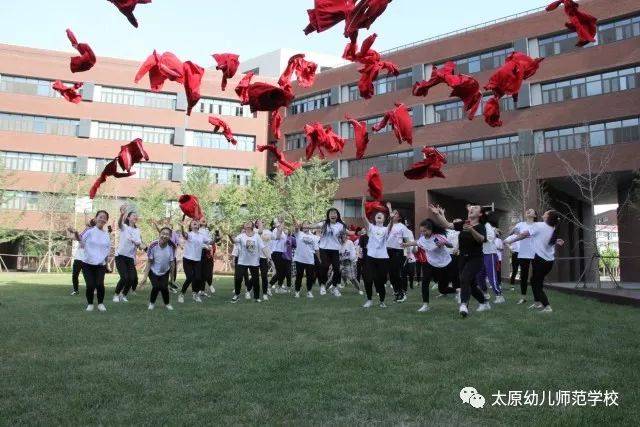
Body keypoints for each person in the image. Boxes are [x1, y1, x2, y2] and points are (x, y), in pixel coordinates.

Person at [430, 204, 491, 317]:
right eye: (471, 208)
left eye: (476, 208)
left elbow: (482, 239)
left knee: (464, 278)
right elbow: (447, 224)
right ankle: (484, 302)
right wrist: (437, 214)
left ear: (480, 214)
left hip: (475, 258)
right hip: (462, 258)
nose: (472, 208)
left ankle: (463, 305)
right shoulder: (463, 223)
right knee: (471, 285)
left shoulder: (481, 226)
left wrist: (471, 229)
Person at [508, 210, 564, 313]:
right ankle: (537, 303)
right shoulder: (552, 228)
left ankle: (547, 307)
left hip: (540, 261)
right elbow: (544, 239)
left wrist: (509, 241)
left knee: (535, 283)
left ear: (548, 217)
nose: (544, 213)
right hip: (548, 262)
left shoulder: (540, 225)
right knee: (536, 281)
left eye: (546, 212)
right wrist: (556, 241)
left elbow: (523, 235)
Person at [404, 219, 455, 313]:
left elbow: (451, 245)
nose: (423, 233)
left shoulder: (438, 236)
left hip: (444, 264)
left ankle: (458, 291)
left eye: (425, 231)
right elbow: (417, 242)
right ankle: (425, 305)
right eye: (422, 231)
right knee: (425, 283)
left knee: (443, 289)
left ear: (431, 230)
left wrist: (444, 243)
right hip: (430, 263)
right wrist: (406, 244)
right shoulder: (422, 239)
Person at [67, 210, 111, 312]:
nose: (102, 219)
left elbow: (106, 251)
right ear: (95, 218)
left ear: (106, 221)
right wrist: (76, 232)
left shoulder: (106, 235)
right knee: (90, 285)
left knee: (100, 284)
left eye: (104, 218)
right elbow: (80, 239)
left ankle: (100, 304)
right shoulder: (90, 231)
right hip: (87, 264)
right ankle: (90, 304)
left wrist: (107, 264)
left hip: (100, 264)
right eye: (100, 217)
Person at [361, 197, 394, 308]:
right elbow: (363, 217)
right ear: (375, 218)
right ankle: (369, 300)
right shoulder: (371, 228)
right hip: (371, 257)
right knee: (368, 279)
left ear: (384, 219)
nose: (379, 216)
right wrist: (363, 204)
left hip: (383, 258)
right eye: (377, 215)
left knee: (379, 281)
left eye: (382, 215)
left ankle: (382, 301)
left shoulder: (385, 230)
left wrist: (390, 211)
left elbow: (391, 224)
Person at [309, 208, 347, 297]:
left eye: (335, 213)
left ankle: (334, 288)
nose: (333, 215)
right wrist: (303, 226)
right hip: (324, 248)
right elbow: (313, 226)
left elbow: (344, 234)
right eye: (331, 213)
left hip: (335, 249)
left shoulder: (341, 225)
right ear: (328, 216)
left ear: (337, 215)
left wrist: (350, 234)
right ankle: (322, 285)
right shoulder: (324, 224)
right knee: (324, 266)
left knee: (337, 268)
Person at [230, 221, 269, 302]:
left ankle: (257, 297)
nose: (247, 224)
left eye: (249, 223)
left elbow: (263, 247)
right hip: (242, 261)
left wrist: (268, 257)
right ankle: (236, 295)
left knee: (255, 280)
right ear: (244, 226)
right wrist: (231, 237)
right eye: (246, 223)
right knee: (238, 278)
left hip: (254, 262)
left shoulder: (257, 236)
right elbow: (234, 241)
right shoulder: (241, 236)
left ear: (252, 225)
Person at [139, 227, 176, 311]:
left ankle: (167, 304)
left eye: (167, 234)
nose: (164, 235)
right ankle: (152, 303)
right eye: (163, 233)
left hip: (165, 271)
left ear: (170, 237)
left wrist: (172, 278)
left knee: (164, 287)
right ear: (159, 234)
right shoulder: (153, 245)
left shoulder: (172, 247)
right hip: (153, 270)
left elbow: (172, 263)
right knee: (156, 287)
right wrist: (145, 277)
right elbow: (149, 262)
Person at [113, 204, 143, 303]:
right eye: (133, 215)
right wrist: (122, 215)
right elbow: (119, 224)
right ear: (129, 217)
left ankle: (123, 294)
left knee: (132, 278)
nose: (135, 216)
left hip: (130, 257)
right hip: (120, 256)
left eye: (136, 215)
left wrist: (138, 243)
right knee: (124, 277)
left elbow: (139, 244)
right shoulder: (124, 227)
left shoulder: (138, 230)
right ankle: (116, 294)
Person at [178, 219, 211, 304]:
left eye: (196, 222)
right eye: (193, 223)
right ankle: (182, 294)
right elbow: (184, 234)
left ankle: (195, 294)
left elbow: (210, 242)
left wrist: (217, 238)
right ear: (191, 226)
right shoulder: (189, 234)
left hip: (197, 260)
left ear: (198, 225)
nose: (195, 223)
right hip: (187, 259)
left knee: (198, 278)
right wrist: (181, 226)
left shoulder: (201, 235)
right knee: (190, 277)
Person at [510, 209, 538, 305]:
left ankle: (537, 299)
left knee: (535, 277)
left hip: (535, 253)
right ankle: (523, 298)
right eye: (527, 210)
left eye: (531, 211)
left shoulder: (537, 225)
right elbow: (511, 233)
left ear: (535, 215)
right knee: (523, 276)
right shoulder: (520, 224)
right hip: (523, 254)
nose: (528, 211)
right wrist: (514, 230)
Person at [386, 211, 413, 303]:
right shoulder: (388, 225)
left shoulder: (402, 227)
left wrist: (408, 253)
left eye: (396, 214)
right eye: (393, 213)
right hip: (388, 251)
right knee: (391, 274)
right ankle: (397, 292)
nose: (393, 215)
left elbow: (407, 240)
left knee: (397, 274)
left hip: (398, 251)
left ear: (399, 217)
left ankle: (402, 293)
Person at [476, 220, 505, 304]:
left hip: (490, 254)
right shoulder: (475, 226)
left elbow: (490, 237)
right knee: (479, 276)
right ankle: (485, 293)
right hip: (481, 255)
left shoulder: (487, 225)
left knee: (492, 276)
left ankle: (499, 296)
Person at [292, 221, 319, 298]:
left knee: (310, 277)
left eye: (307, 224)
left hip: (310, 260)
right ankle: (297, 291)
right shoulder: (299, 233)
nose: (306, 226)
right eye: (304, 224)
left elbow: (316, 249)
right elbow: (296, 229)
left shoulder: (314, 237)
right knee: (299, 276)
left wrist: (319, 259)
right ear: (302, 226)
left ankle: (309, 291)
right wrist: (297, 225)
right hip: (299, 259)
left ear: (310, 226)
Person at [270, 218, 291, 294]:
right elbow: (278, 237)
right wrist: (280, 225)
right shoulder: (276, 230)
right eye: (279, 222)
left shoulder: (283, 233)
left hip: (282, 253)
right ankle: (269, 286)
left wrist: (287, 243)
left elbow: (282, 242)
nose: (282, 224)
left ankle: (279, 287)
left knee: (283, 271)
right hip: (276, 253)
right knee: (280, 272)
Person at [255, 220, 273, 300]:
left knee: (264, 276)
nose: (262, 222)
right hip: (255, 257)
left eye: (263, 221)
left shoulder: (269, 232)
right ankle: (248, 290)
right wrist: (260, 224)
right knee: (254, 276)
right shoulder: (254, 231)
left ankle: (265, 293)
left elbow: (277, 237)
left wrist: (269, 256)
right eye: (259, 222)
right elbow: (260, 232)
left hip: (264, 257)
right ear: (256, 224)